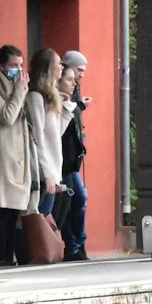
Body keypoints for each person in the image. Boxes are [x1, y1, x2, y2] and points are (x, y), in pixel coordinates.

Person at [0, 44, 34, 262]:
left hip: (19, 157)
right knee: (4, 210)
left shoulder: (16, 86)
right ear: (1, 66)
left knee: (14, 211)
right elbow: (7, 117)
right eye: (13, 65)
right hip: (4, 156)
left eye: (21, 65)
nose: (18, 70)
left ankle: (10, 256)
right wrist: (19, 93)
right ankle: (3, 257)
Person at [56, 49, 93, 260]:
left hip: (72, 155)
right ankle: (73, 245)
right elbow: (63, 116)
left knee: (74, 199)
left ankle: (75, 245)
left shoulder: (75, 89)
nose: (81, 76)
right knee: (76, 197)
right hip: (62, 156)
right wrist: (79, 107)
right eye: (79, 70)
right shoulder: (60, 91)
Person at [27, 48, 68, 221]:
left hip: (53, 170)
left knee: (47, 219)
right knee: (39, 222)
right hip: (44, 173)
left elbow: (57, 134)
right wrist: (47, 173)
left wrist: (67, 111)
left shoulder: (51, 96)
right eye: (58, 63)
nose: (62, 67)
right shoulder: (36, 97)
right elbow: (38, 137)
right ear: (48, 68)